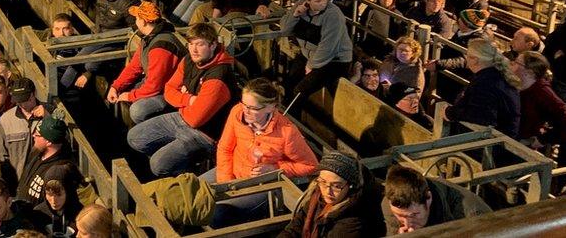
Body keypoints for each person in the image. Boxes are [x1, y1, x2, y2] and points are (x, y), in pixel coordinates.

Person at [127, 23, 238, 177]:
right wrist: (189, 99)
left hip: (205, 134)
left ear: (213, 45)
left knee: (158, 164)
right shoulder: (189, 59)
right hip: (182, 116)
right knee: (135, 137)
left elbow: (195, 120)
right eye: (191, 44)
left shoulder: (218, 77)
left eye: (200, 44)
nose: (194, 49)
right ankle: (177, 160)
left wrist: (181, 100)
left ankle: (187, 174)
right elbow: (169, 89)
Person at [205, 79, 318, 227]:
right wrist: (226, 181)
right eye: (244, 104)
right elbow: (225, 148)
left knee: (216, 214)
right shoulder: (237, 112)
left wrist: (275, 168)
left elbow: (311, 165)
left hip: (261, 186)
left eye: (253, 108)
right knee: (188, 192)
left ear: (271, 108)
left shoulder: (286, 132)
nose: (246, 111)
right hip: (231, 171)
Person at [107, 1, 183, 124]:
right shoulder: (148, 38)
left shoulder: (161, 47)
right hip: (157, 85)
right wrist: (116, 87)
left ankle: (154, 134)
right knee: (122, 92)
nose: (135, 21)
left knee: (138, 110)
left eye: (137, 18)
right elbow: (134, 67)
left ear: (143, 21)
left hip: (170, 91)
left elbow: (154, 86)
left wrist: (130, 96)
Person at [278, 151, 386, 238]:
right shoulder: (317, 194)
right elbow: (297, 225)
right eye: (323, 182)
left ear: (351, 185)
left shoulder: (353, 221)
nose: (327, 191)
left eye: (336, 186)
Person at [511, 51, 566, 187]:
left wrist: (543, 139)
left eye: (517, 62)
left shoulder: (542, 92)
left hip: (522, 144)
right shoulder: (517, 84)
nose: (512, 64)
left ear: (529, 72)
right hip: (513, 138)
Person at [279, 0, 353, 103]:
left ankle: (294, 118)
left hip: (333, 60)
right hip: (308, 54)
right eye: (318, 1)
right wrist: (295, 15)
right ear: (308, 1)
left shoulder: (333, 14)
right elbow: (284, 30)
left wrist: (312, 65)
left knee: (300, 91)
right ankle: (286, 113)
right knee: (289, 82)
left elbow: (328, 46)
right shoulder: (300, 5)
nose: (323, 3)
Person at [444, 39, 521, 138]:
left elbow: (477, 115)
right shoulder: (497, 74)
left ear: (475, 59)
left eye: (467, 55)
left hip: (494, 143)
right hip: (503, 135)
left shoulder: (486, 82)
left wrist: (450, 113)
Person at [382, 164, 490, 234]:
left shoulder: (473, 216)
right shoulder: (389, 205)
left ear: (428, 199)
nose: (407, 224)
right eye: (400, 216)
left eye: (414, 215)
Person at [16, 115, 82, 206]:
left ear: (49, 142)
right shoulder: (36, 153)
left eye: (38, 134)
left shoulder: (60, 169)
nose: (33, 135)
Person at [0, 78, 44, 187]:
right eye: (18, 101)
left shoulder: (49, 112)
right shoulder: (6, 119)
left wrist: (47, 116)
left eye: (24, 100)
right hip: (18, 184)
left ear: (33, 94)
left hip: (44, 183)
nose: (22, 104)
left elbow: (63, 141)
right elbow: (3, 156)